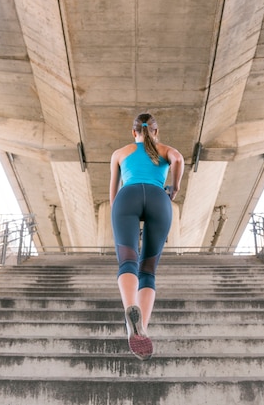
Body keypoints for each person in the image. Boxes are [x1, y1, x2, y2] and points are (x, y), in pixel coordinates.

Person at [109, 113, 184, 360]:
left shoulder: (120, 153)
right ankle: (142, 328)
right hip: (158, 200)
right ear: (155, 131)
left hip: (126, 198)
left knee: (127, 261)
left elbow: (113, 195)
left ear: (134, 133)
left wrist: (118, 215)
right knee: (148, 270)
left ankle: (130, 307)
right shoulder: (164, 150)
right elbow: (179, 159)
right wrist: (174, 188)